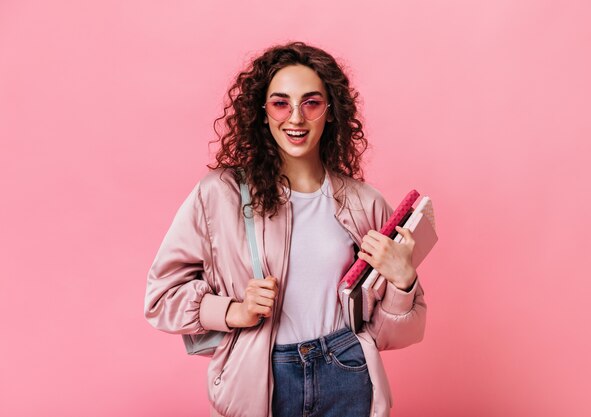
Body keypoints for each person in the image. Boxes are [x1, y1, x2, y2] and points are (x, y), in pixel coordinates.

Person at [144, 41, 427, 417]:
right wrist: (234, 311)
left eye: (311, 103)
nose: (295, 117)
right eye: (280, 103)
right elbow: (161, 297)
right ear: (262, 113)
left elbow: (400, 332)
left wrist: (403, 282)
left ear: (330, 112)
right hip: (263, 377)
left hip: (346, 369)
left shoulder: (364, 202)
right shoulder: (220, 195)